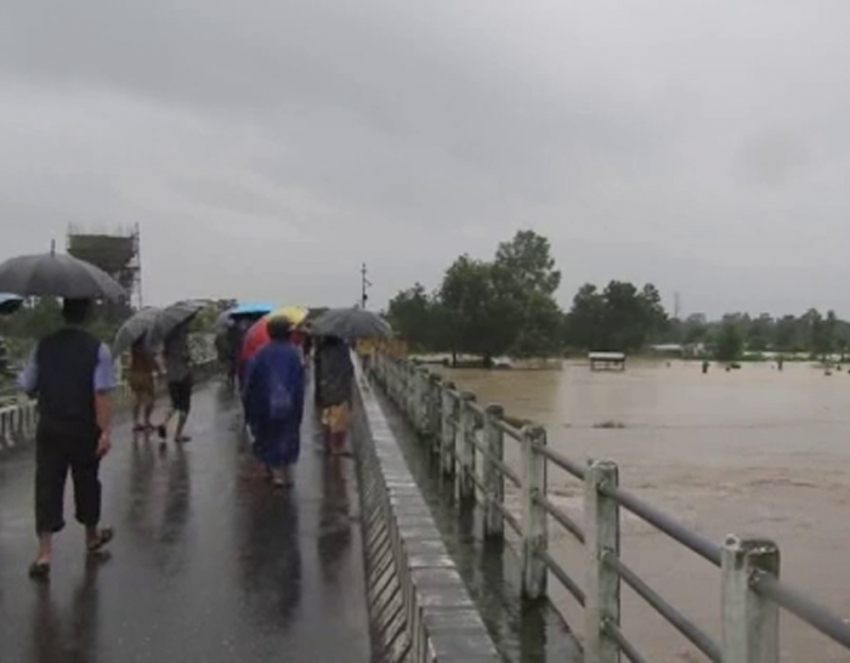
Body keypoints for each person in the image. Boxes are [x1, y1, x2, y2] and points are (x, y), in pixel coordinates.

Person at [18, 298, 115, 580]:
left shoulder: (43, 345)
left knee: (47, 483)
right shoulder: (98, 349)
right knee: (87, 481)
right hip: (84, 428)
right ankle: (91, 537)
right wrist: (105, 432)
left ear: (62, 314)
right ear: (87, 316)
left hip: (50, 425)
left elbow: (27, 384)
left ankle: (45, 553)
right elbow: (101, 393)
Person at [243, 317, 305, 487]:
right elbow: (299, 383)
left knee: (267, 436)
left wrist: (248, 407)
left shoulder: (260, 353)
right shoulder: (294, 354)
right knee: (286, 437)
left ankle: (273, 470)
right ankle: (280, 473)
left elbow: (250, 382)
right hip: (289, 404)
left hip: (263, 403)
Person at [316, 335, 354, 455]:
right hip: (340, 390)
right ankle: (337, 447)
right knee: (340, 421)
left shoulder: (322, 348)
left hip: (325, 388)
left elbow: (318, 368)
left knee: (327, 418)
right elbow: (349, 369)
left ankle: (327, 445)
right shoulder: (342, 348)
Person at [157, 322, 193, 446]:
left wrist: (164, 370)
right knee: (185, 406)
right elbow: (186, 357)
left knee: (174, 404)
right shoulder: (181, 341)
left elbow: (162, 357)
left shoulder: (165, 341)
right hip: (183, 375)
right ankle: (178, 434)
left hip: (171, 376)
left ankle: (164, 423)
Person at [128, 337, 158, 432]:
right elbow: (151, 362)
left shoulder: (133, 348)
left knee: (136, 398)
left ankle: (135, 422)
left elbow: (130, 362)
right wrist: (158, 369)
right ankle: (146, 421)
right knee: (150, 398)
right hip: (145, 374)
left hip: (133, 374)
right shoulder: (146, 348)